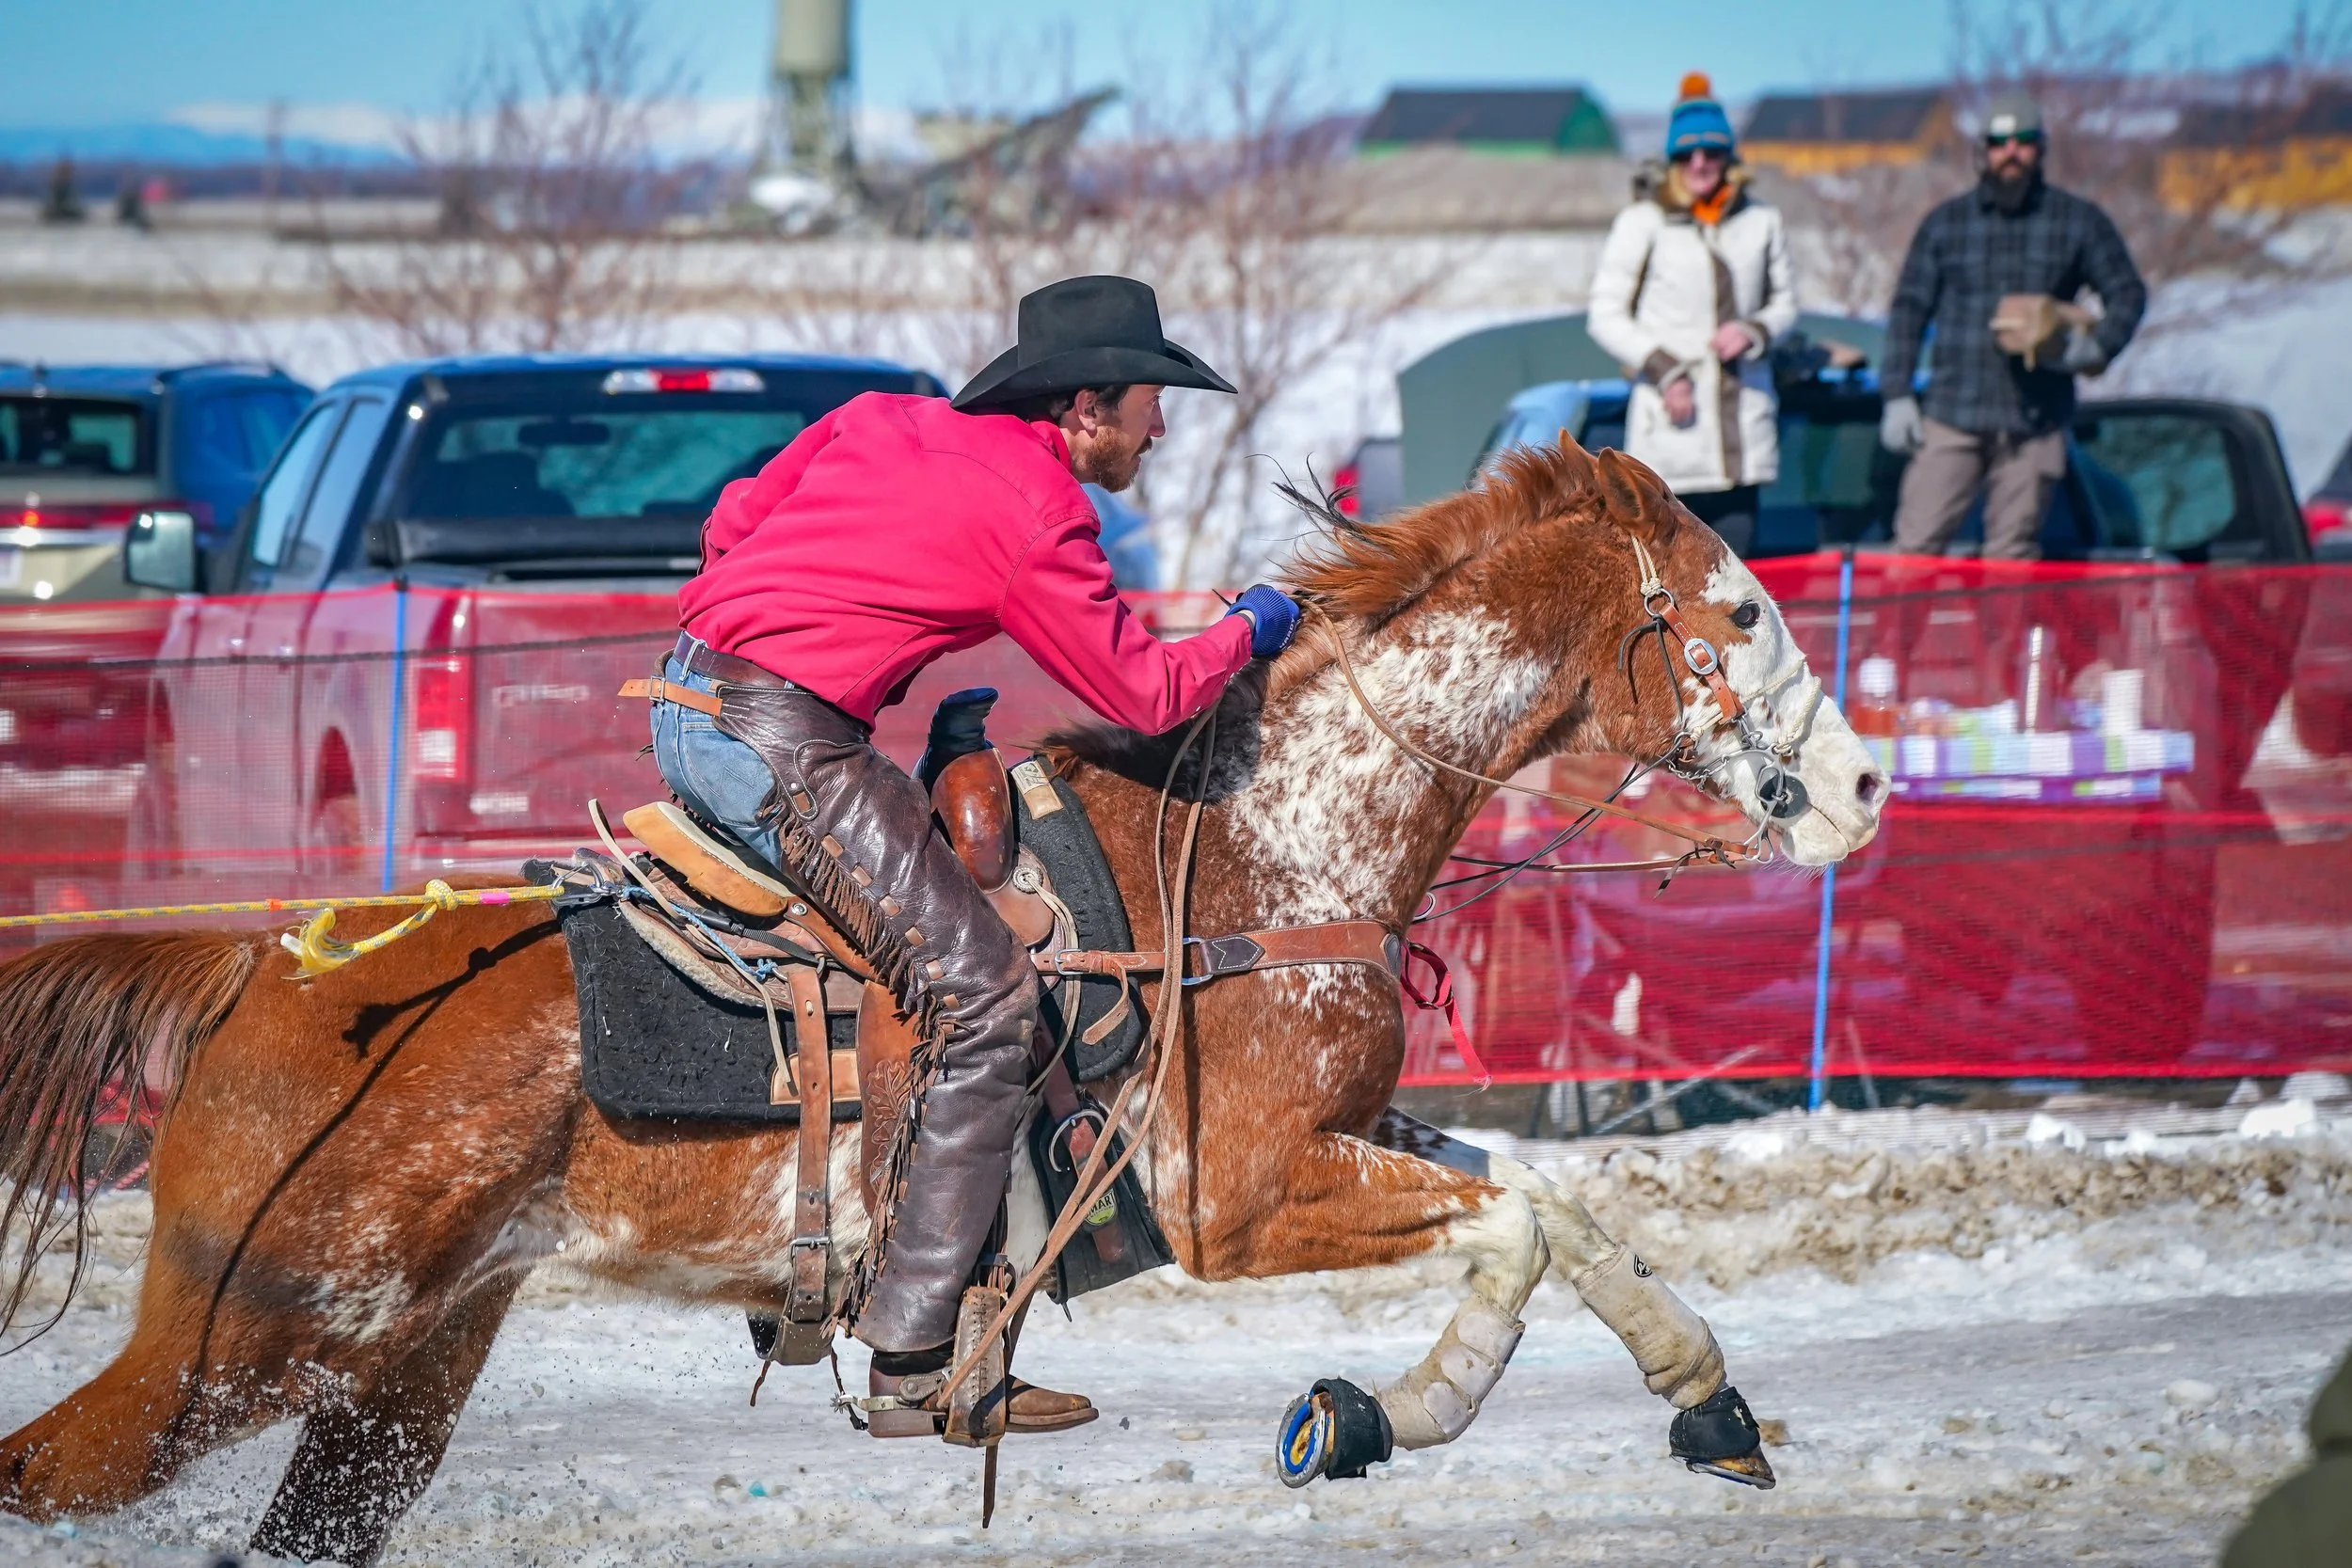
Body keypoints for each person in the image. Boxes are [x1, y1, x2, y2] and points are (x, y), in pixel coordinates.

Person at [655, 276, 1301, 1428]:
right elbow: (1145, 693)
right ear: (1088, 408)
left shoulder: (880, 417)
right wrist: (1252, 624)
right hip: (777, 742)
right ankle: (916, 1357)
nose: (1167, 426)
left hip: (683, 696)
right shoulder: (1041, 514)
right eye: (1156, 401)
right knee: (988, 992)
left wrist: (754, 616)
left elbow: (731, 519)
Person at [1879, 91, 2148, 561]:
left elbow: (2128, 292)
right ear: (1982, 150)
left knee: (2011, 561)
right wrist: (1897, 394)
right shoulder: (1946, 224)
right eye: (1999, 142)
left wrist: (2096, 348)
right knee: (1914, 554)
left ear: (2040, 149)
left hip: (2034, 424)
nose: (2011, 152)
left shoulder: (2077, 222)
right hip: (1952, 417)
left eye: (2022, 141)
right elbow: (1908, 311)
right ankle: (1899, 640)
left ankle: (2001, 639)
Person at [1587, 71, 1797, 558]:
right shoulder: (1643, 223)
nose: (1700, 163)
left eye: (1712, 151)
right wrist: (1665, 369)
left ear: (1729, 156)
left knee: (1742, 590)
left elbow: (1786, 303)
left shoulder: (1763, 221)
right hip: (1671, 439)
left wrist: (1754, 330)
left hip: (1742, 437)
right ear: (1672, 160)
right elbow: (1604, 314)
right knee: (1674, 586)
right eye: (1686, 153)